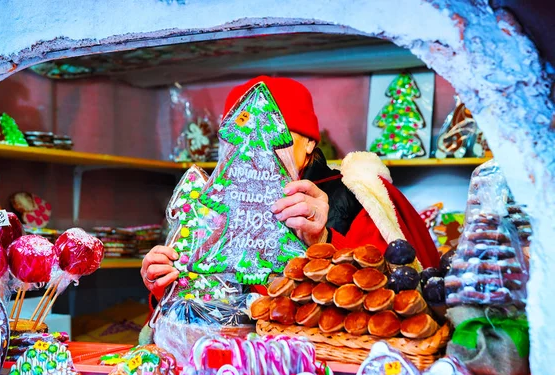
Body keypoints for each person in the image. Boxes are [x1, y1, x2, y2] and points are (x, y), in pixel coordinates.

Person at [141, 76, 439, 299]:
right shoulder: (212, 203)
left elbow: (389, 292)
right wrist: (165, 283)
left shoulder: (356, 198)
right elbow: (193, 303)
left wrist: (322, 238)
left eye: (275, 135)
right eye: (240, 138)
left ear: (310, 142)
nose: (256, 148)